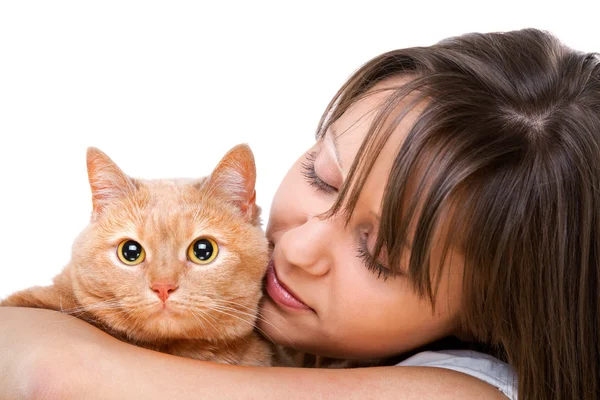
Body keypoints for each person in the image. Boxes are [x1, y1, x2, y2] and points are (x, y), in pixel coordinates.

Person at [1, 28, 598, 400]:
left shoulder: (471, 390)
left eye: (379, 254)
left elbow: (51, 376)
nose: (298, 250)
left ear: (494, 314)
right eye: (322, 176)